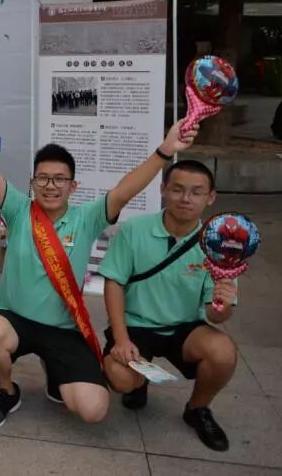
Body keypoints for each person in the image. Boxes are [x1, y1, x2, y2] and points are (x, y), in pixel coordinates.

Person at [0, 96, 198, 431]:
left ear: (73, 186)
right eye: (43, 178)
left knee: (93, 409)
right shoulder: (18, 209)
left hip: (63, 328)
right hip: (14, 320)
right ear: (32, 183)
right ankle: (6, 393)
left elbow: (124, 190)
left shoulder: (87, 218)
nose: (51, 186)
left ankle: (56, 373)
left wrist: (165, 150)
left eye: (60, 179)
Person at [100, 160, 238, 451]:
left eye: (196, 192)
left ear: (211, 197)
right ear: (163, 190)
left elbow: (216, 316)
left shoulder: (219, 246)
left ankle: (197, 409)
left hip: (184, 327)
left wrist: (222, 302)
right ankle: (139, 383)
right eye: (177, 189)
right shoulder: (134, 229)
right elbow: (113, 283)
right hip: (135, 324)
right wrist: (121, 339)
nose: (185, 198)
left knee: (223, 352)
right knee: (121, 378)